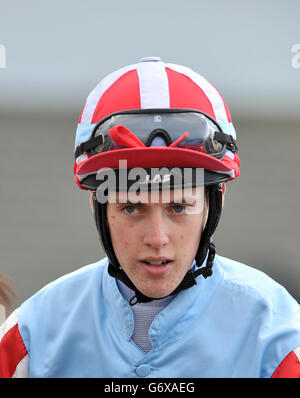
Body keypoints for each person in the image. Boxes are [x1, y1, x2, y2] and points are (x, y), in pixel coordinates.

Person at [1, 56, 300, 378]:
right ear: (96, 204)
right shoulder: (31, 333)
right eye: (131, 208)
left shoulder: (278, 336)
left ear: (217, 202)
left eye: (179, 208)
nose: (157, 238)